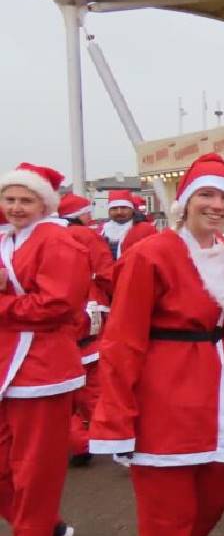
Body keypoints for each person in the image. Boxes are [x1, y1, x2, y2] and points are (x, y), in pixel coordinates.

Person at [89, 153, 224, 536]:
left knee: (212, 503)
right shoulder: (150, 255)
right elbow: (121, 342)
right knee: (167, 522)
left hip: (212, 402)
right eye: (206, 195)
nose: (216, 205)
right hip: (164, 404)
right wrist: (117, 420)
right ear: (185, 200)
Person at [0, 164, 90, 536]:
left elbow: (58, 305)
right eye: (10, 199)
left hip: (42, 371)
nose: (17, 207)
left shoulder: (57, 240)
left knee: (34, 472)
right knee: (8, 469)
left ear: (45, 204)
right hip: (8, 366)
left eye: (26, 200)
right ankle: (44, 529)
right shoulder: (8, 238)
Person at [57, 193, 116, 467]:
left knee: (65, 394)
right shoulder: (86, 235)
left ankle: (78, 441)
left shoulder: (42, 236)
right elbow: (106, 272)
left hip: (58, 319)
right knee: (93, 386)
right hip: (89, 310)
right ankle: (111, 436)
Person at [101, 190, 157, 259]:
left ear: (132, 209)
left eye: (123, 208)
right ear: (109, 211)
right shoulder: (101, 230)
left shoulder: (146, 229)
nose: (119, 212)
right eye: (114, 208)